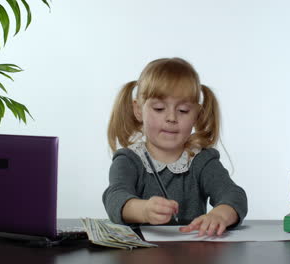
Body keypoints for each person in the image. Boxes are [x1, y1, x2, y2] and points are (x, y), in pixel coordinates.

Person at [103, 57, 247, 236]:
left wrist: (220, 215)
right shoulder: (128, 160)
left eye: (183, 111)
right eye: (159, 108)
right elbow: (115, 197)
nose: (171, 118)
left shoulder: (201, 160)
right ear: (138, 110)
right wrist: (144, 210)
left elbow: (234, 195)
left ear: (197, 115)